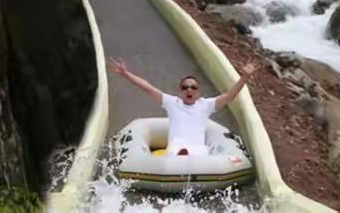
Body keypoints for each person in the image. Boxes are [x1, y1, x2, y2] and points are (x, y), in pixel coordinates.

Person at [107, 58, 260, 156]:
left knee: (199, 153)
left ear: (198, 92)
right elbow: (148, 88)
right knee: (177, 151)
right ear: (180, 91)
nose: (189, 90)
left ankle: (187, 158)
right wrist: (126, 74)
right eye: (185, 87)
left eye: (193, 87)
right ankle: (182, 157)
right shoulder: (172, 102)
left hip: (198, 151)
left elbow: (229, 96)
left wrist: (244, 77)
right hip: (176, 149)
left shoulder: (205, 105)